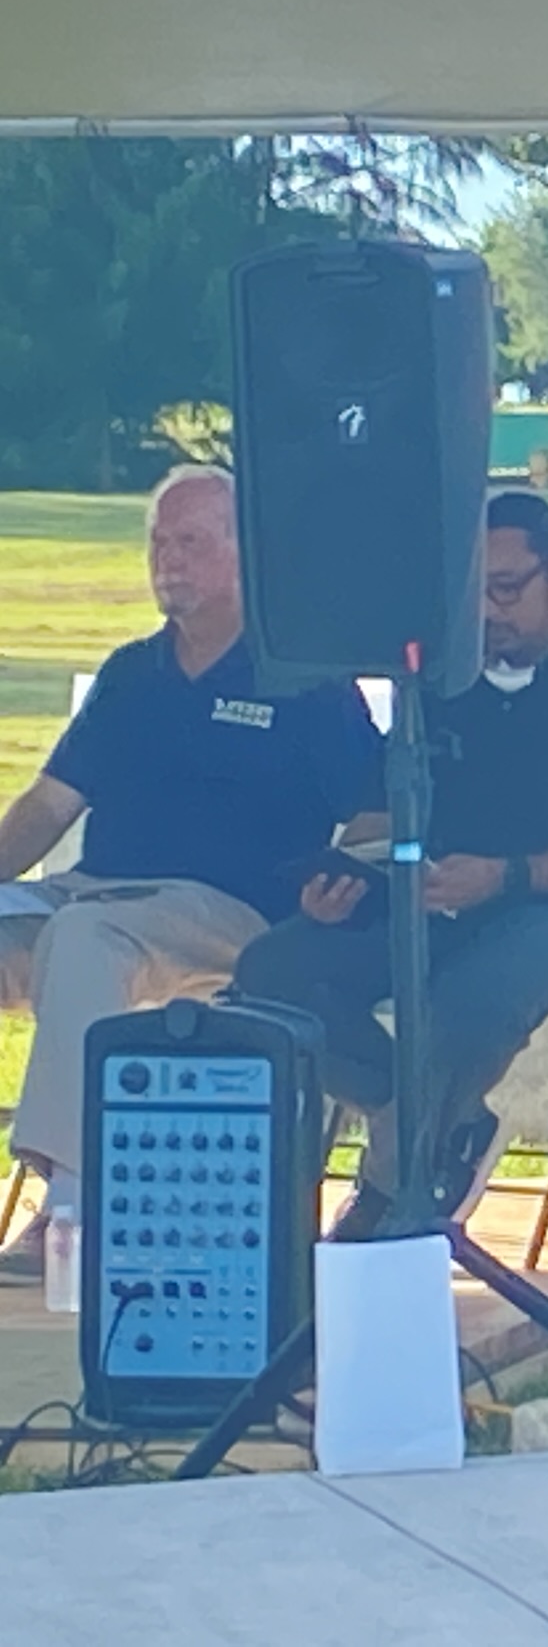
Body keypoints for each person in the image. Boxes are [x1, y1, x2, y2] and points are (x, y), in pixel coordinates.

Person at [225, 490, 548, 1235]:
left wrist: (505, 875)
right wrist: (342, 873)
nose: (491, 612)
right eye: (477, 593)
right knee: (274, 974)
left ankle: (388, 1192)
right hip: (424, 900)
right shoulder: (441, 679)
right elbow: (379, 803)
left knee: (467, 1006)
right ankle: (442, 1125)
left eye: (507, 589)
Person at [0, 466, 379, 1282]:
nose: (168, 561)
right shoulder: (132, 674)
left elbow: (374, 809)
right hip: (97, 898)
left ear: (249, 556)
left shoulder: (307, 682)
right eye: (159, 543)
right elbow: (47, 806)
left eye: (192, 543)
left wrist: (343, 884)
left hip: (231, 917)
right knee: (69, 927)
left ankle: (71, 1206)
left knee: (83, 936)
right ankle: (74, 1186)